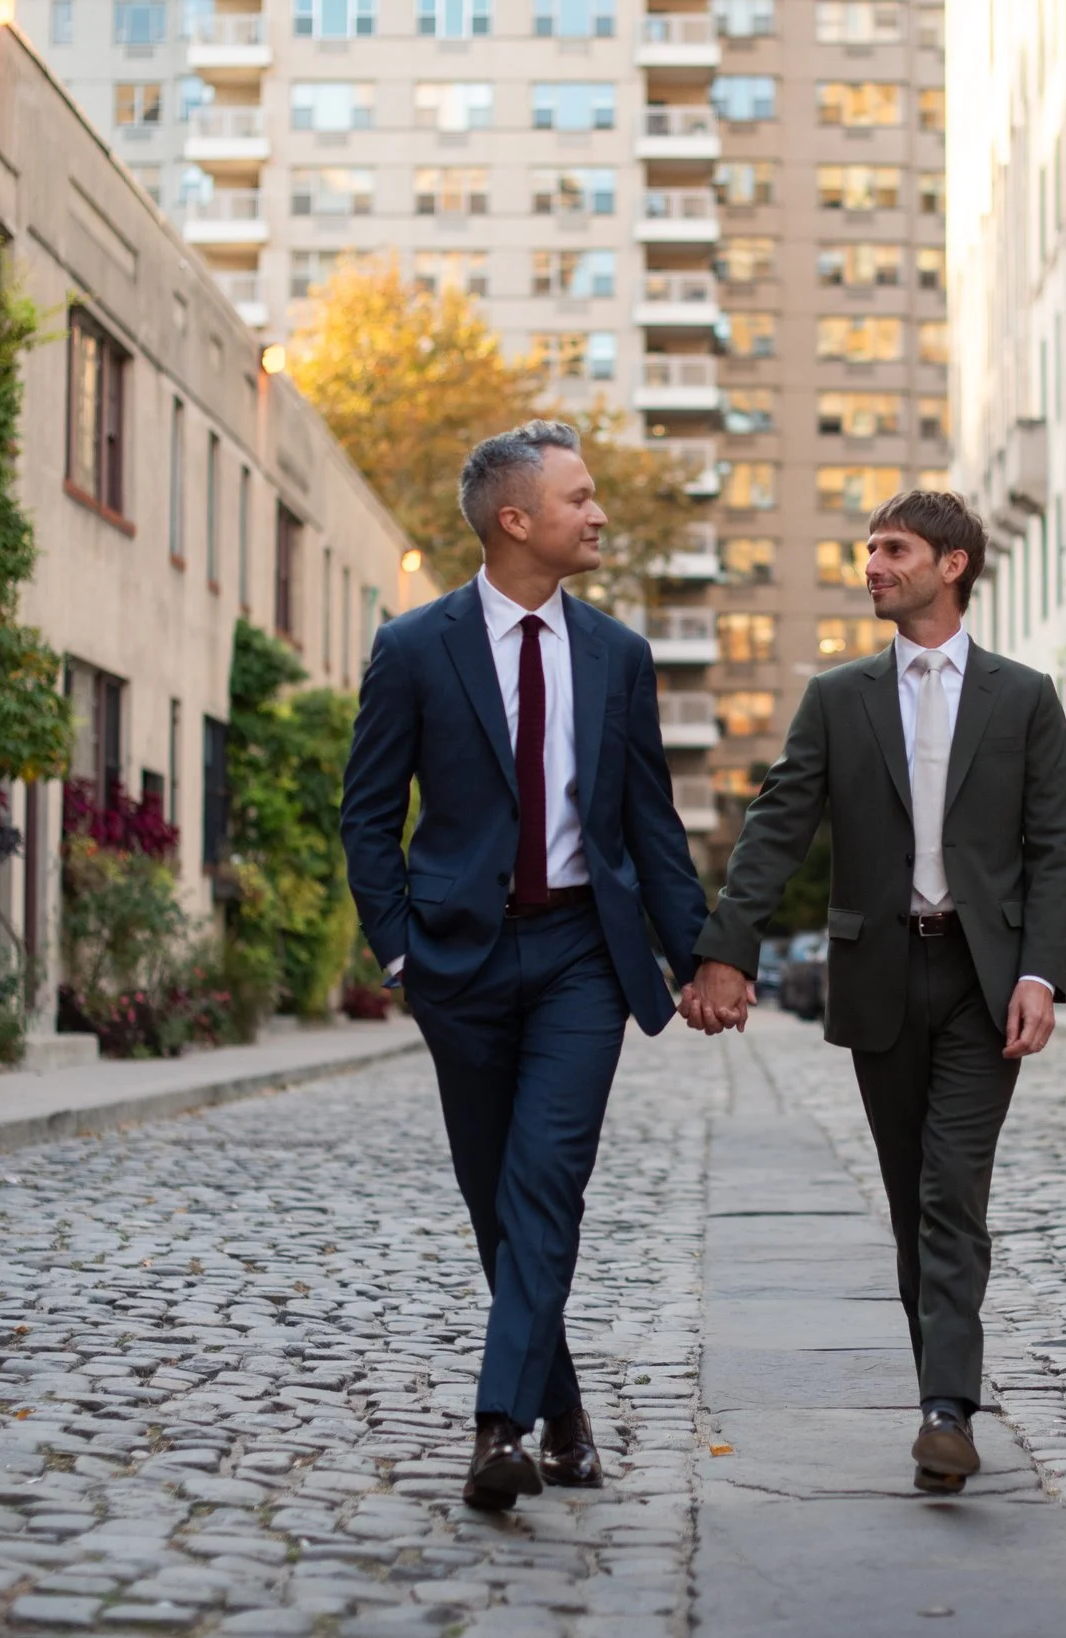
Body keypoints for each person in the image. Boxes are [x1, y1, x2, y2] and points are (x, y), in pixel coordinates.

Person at [679, 489, 1066, 1495]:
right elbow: (776, 827)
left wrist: (1040, 970)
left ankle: (948, 1409)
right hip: (880, 973)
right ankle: (937, 1391)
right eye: (866, 550)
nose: (871, 566)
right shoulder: (839, 697)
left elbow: (1055, 849)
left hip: (983, 980)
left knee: (952, 1190)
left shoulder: (1024, 696)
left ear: (951, 564)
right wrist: (725, 947)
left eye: (891, 549)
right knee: (913, 1200)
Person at [341, 420, 709, 1511]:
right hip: (458, 959)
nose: (599, 514)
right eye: (580, 498)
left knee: (547, 1180)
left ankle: (497, 1427)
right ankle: (564, 1409)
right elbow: (368, 817)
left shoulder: (618, 655)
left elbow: (651, 824)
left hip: (580, 958)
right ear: (514, 520)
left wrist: (702, 959)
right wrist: (401, 951)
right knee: (493, 1200)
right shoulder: (413, 648)